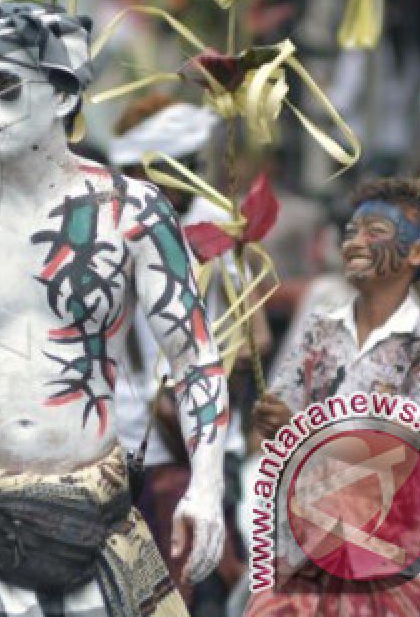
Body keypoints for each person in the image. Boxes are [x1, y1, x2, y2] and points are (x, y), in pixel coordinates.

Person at [0, 0, 229, 617]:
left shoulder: (134, 214)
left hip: (95, 518)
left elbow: (196, 361)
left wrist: (208, 483)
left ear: (64, 98)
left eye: (6, 86)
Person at [248, 176, 420, 616]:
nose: (355, 242)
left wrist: (301, 435)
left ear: (417, 253)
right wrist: (268, 419)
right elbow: (274, 426)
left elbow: (403, 453)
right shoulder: (320, 328)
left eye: (375, 232)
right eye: (351, 233)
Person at [108, 95, 264, 613]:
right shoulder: (107, 225)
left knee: (198, 589)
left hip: (198, 444)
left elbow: (255, 334)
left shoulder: (218, 225)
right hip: (119, 443)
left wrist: (213, 374)